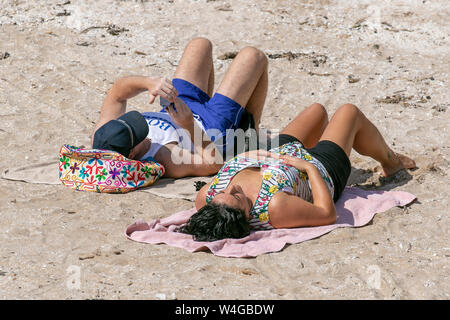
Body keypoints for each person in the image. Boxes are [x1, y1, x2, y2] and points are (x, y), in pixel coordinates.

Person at [179, 103, 416, 241]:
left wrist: (243, 159)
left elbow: (223, 182)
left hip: (274, 154)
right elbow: (326, 213)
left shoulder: (208, 199)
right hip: (318, 168)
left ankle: (324, 140)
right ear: (248, 216)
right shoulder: (274, 208)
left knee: (317, 111)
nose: (233, 187)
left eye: (225, 190)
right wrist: (309, 169)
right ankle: (391, 161)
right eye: (237, 196)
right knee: (349, 112)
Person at [91, 37, 268, 178]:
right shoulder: (164, 157)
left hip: (177, 107)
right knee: (253, 56)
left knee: (199, 45)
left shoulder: (103, 138)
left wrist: (148, 83)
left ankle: (206, 99)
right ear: (132, 154)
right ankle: (250, 133)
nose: (141, 129)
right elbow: (213, 165)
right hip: (209, 128)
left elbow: (117, 92)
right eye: (139, 132)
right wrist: (189, 125)